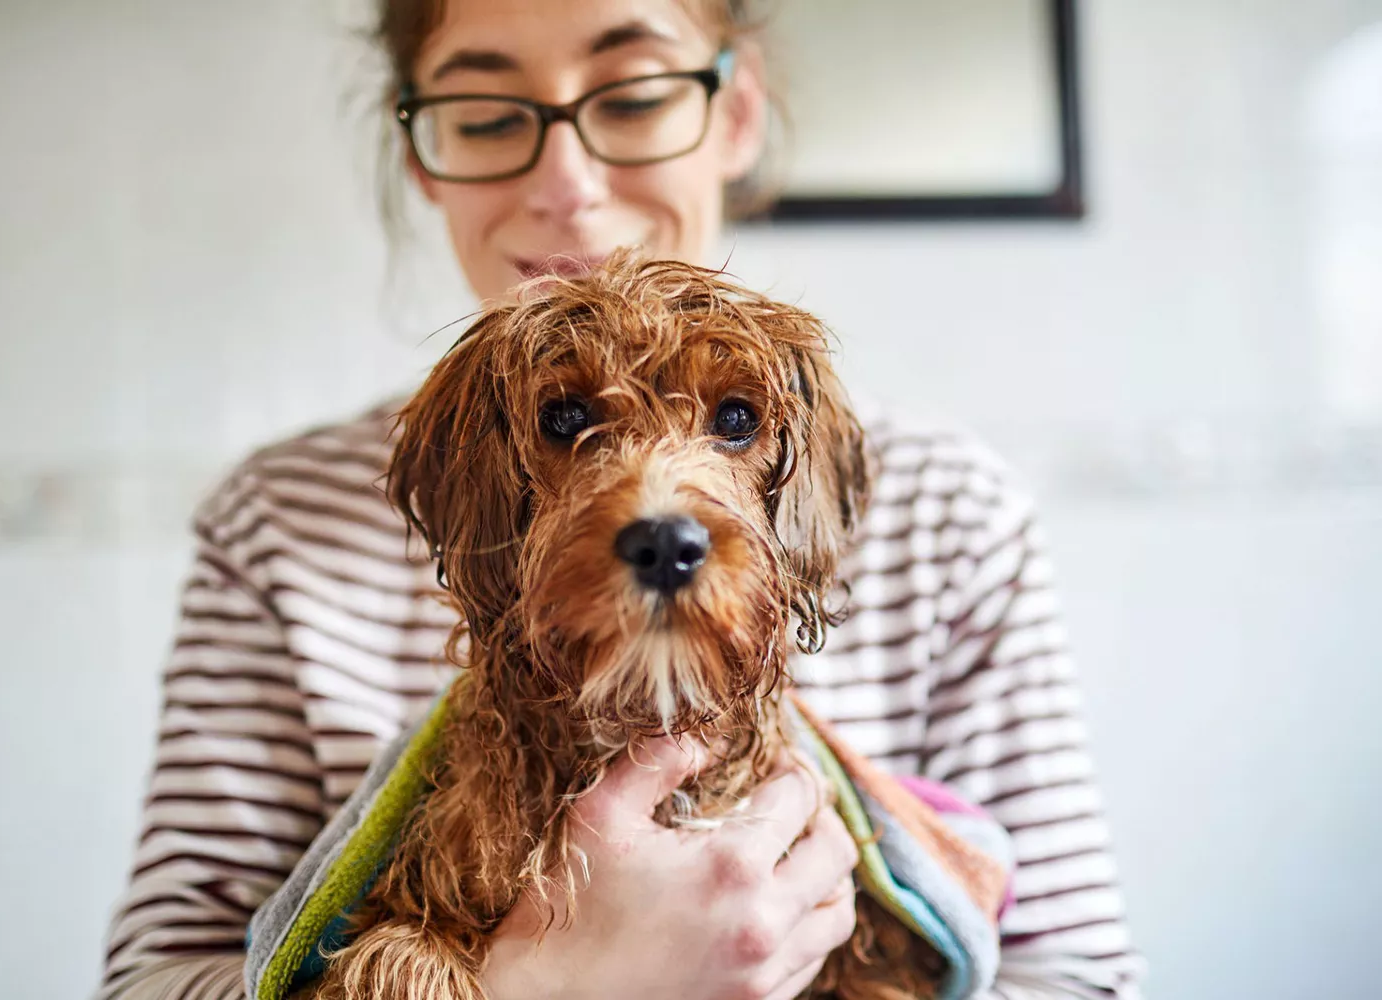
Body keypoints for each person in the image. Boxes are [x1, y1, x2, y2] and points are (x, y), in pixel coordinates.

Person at [97, 0, 1144, 997]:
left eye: (634, 97)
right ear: (421, 150)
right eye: (490, 113)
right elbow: (153, 982)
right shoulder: (276, 525)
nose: (569, 184)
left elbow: (1078, 979)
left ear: (734, 112)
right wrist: (546, 986)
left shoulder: (949, 513)